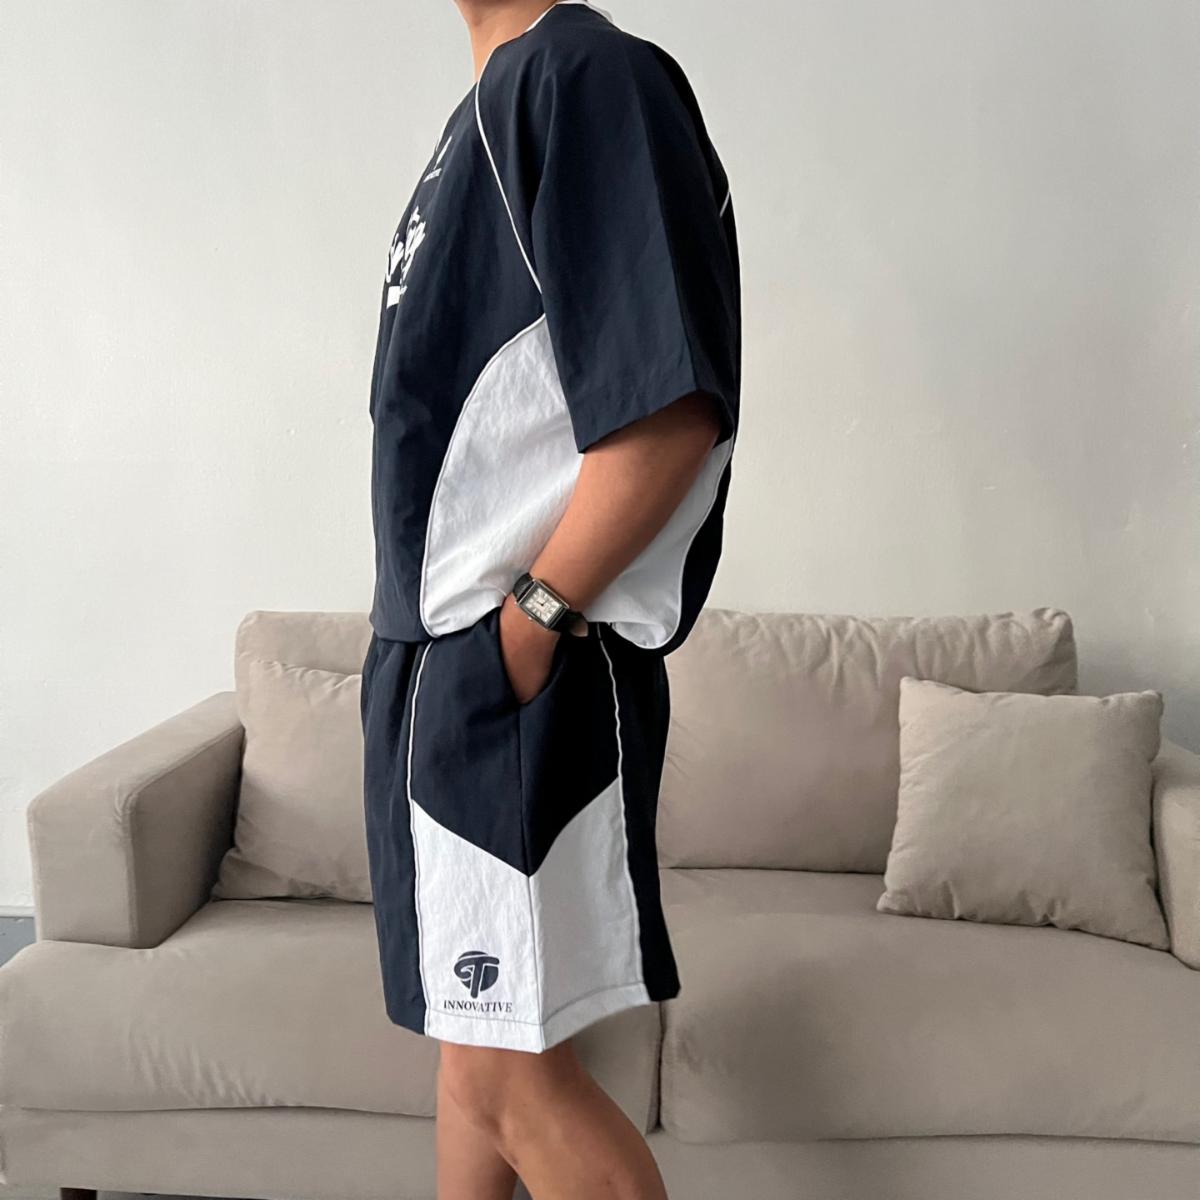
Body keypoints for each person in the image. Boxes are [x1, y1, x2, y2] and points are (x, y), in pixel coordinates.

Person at [358, 1, 741, 1194]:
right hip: (443, 665)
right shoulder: (489, 105)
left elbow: (667, 413)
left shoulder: (581, 77)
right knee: (472, 1066)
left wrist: (529, 625)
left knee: (507, 1083)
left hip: (509, 671)